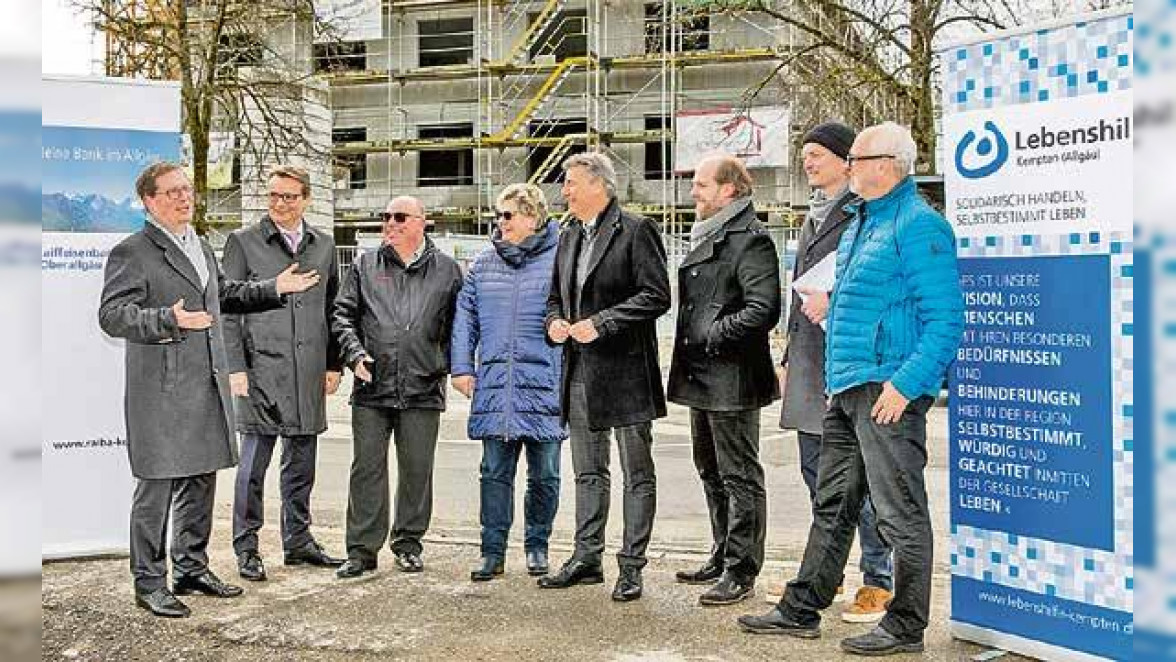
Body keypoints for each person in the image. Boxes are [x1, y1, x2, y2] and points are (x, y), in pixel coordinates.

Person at [737, 122, 964, 656]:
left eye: (858, 158)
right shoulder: (864, 221)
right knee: (833, 502)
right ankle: (802, 607)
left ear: (887, 163)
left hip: (887, 390)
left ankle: (906, 625)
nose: (850, 166)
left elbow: (946, 320)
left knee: (900, 510)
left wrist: (905, 386)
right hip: (847, 386)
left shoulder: (919, 226)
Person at [99, 162, 320, 618]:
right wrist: (167, 319)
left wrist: (273, 287)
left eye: (187, 190)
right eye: (173, 192)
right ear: (149, 201)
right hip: (161, 390)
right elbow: (112, 315)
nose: (185, 198)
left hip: (205, 385)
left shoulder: (197, 245)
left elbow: (226, 293)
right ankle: (149, 582)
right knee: (157, 489)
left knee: (200, 482)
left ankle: (191, 568)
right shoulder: (132, 251)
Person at [766, 122, 896, 623]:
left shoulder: (864, 214)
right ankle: (827, 571)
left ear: (849, 162)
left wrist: (835, 301)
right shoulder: (811, 218)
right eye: (804, 154)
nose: (807, 162)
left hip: (850, 364)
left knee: (856, 481)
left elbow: (879, 287)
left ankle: (877, 580)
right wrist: (787, 356)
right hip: (808, 363)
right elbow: (802, 295)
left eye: (817, 153)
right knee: (816, 476)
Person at [538, 152, 671, 602]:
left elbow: (656, 295)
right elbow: (555, 296)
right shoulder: (568, 233)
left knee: (638, 474)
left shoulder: (637, 230)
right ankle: (585, 558)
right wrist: (556, 322)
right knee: (588, 472)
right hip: (579, 371)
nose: (565, 191)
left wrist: (604, 322)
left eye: (572, 183)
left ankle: (631, 566)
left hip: (627, 372)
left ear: (600, 185)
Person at [223, 165, 345, 582]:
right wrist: (235, 367)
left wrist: (333, 363)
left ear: (306, 199)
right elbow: (227, 308)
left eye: (289, 197)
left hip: (307, 373)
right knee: (253, 467)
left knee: (301, 466)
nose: (279, 204)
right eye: (273, 195)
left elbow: (335, 310)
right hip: (261, 373)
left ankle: (299, 541)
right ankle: (247, 546)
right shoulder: (242, 243)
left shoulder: (324, 246)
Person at [667, 154, 780, 607]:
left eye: (701, 185)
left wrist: (715, 333)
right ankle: (722, 551)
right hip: (703, 376)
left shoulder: (750, 241)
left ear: (729, 189)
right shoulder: (712, 234)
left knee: (739, 476)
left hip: (732, 376)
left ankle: (742, 568)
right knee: (710, 470)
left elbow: (763, 308)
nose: (694, 192)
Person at [331, 196, 463, 579]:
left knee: (416, 471)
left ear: (423, 222)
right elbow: (343, 315)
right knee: (367, 469)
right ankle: (361, 550)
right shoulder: (364, 265)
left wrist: (456, 368)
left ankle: (408, 543)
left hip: (423, 385)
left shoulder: (449, 271)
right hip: (372, 386)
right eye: (385, 216)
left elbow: (460, 326)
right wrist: (354, 355)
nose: (390, 223)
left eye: (400, 217)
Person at [449, 184, 566, 582]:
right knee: (493, 473)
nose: (500, 223)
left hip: (546, 384)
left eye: (508, 215)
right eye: (498, 215)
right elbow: (465, 319)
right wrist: (462, 368)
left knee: (545, 474)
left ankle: (538, 545)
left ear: (533, 216)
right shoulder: (483, 264)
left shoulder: (562, 258)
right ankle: (492, 550)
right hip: (497, 385)